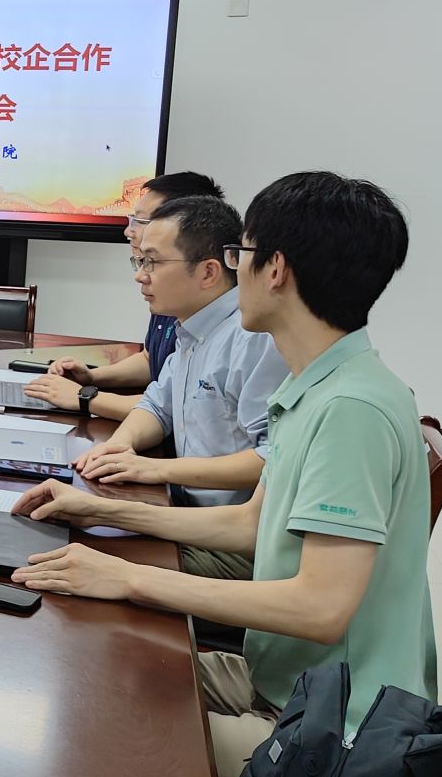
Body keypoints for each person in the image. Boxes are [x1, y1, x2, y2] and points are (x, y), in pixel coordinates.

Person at [8, 172, 434, 777]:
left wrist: (128, 576)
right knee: (88, 669)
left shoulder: (351, 410)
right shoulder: (316, 385)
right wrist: (101, 510)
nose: (234, 270)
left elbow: (319, 608)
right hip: (283, 680)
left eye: (242, 253)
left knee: (106, 739)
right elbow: (249, 523)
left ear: (275, 269)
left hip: (335, 730)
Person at [70, 195, 287, 580]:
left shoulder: (251, 338)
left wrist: (155, 469)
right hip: (184, 512)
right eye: (140, 262)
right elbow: (158, 405)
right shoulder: (192, 327)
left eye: (152, 262)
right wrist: (119, 446)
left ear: (208, 272)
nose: (140, 275)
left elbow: (271, 459)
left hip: (229, 540)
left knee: (87, 554)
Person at [23, 169, 226, 420]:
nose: (128, 232)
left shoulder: (209, 314)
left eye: (140, 221)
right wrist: (91, 377)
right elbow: (152, 361)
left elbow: (173, 407)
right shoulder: (168, 293)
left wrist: (83, 397)